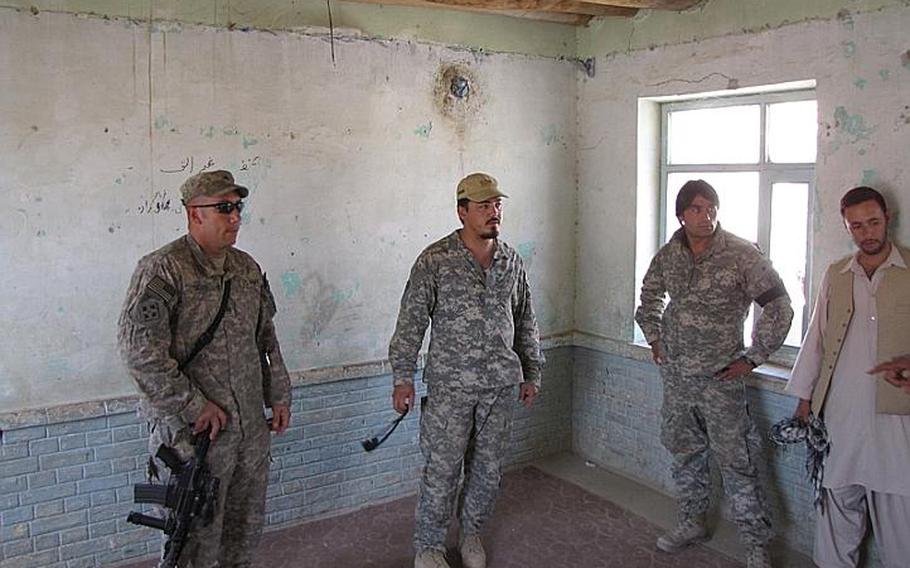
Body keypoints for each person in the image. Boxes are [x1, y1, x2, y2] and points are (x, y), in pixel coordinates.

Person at [118, 170, 292, 567]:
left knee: (242, 538)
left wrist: (279, 394)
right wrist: (195, 406)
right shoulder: (164, 270)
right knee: (191, 546)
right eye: (225, 208)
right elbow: (140, 353)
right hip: (195, 442)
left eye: (238, 208)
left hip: (248, 434)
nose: (235, 218)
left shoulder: (246, 269)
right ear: (195, 214)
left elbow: (266, 337)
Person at [635, 179, 793, 568]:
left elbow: (780, 306)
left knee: (738, 461)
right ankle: (691, 522)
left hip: (720, 380)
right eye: (697, 209)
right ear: (681, 214)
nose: (706, 217)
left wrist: (754, 356)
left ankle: (756, 546)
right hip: (677, 379)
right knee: (685, 454)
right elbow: (649, 296)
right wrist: (654, 337)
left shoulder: (741, 255)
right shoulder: (670, 254)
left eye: (712, 208)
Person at [389, 172, 543, 568]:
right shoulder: (435, 261)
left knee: (487, 470)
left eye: (497, 205)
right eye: (484, 206)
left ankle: (471, 534)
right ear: (462, 212)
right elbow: (411, 322)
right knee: (441, 469)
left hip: (499, 387)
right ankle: (429, 546)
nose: (494, 213)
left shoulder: (511, 261)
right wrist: (402, 377)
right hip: (450, 389)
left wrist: (532, 372)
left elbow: (525, 320)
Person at [786, 186, 910, 568]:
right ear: (847, 228)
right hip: (839, 420)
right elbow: (816, 340)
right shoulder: (837, 274)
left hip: (897, 423)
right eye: (856, 226)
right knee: (835, 515)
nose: (866, 233)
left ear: (887, 217)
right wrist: (804, 402)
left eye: (872, 222)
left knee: (901, 528)